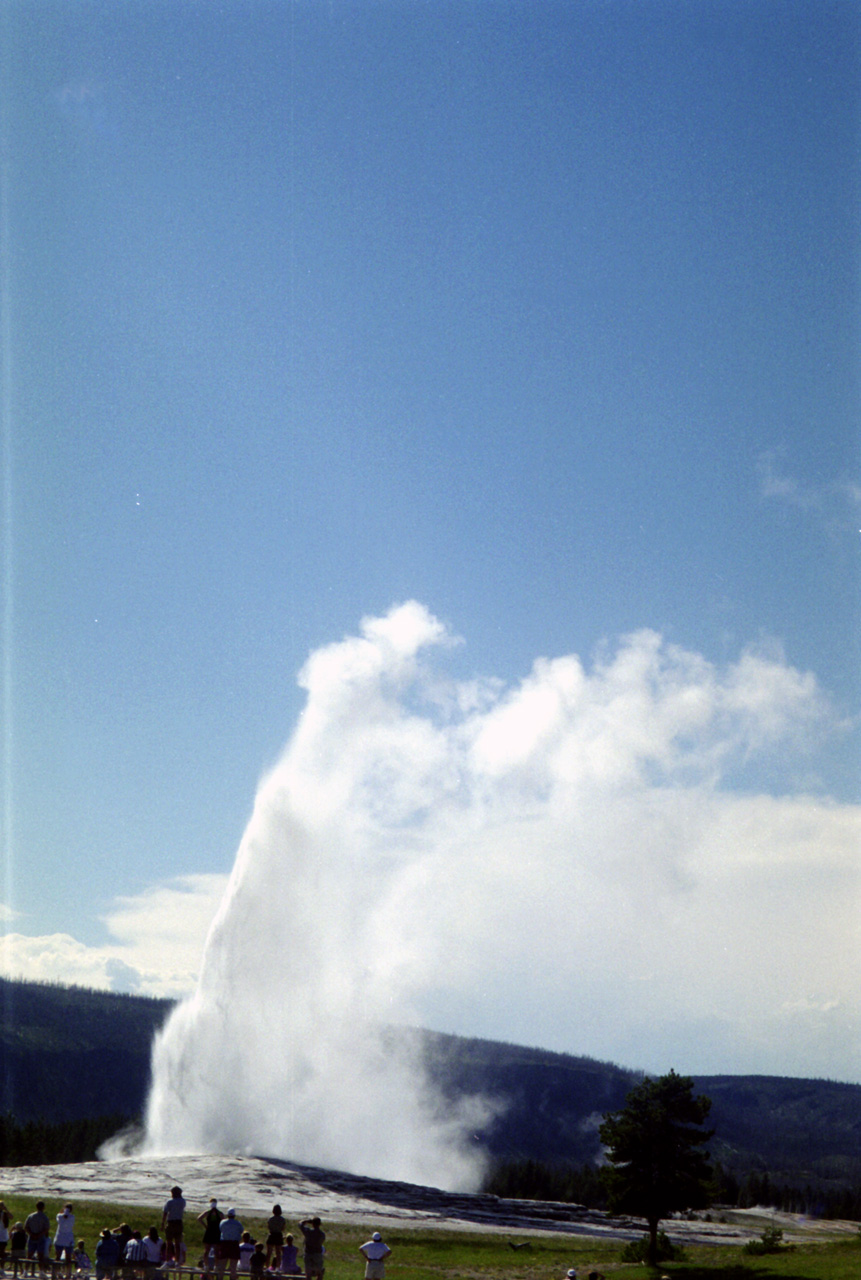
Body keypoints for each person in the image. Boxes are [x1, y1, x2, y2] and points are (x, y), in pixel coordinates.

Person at [215, 1209, 243, 1280]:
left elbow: (220, 1229)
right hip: (234, 1244)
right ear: (234, 1215)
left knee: (222, 1266)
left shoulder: (223, 1222)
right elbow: (241, 1231)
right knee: (233, 1267)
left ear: (227, 1215)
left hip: (224, 1244)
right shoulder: (238, 1223)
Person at [25, 1201, 51, 1273]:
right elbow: (47, 1228)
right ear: (43, 1207)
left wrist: (31, 1234)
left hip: (32, 1236)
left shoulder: (31, 1216)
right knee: (40, 1256)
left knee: (29, 1255)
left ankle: (26, 1271)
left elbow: (26, 1227)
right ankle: (41, 1271)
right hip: (40, 1237)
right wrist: (40, 1234)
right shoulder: (44, 1217)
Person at [197, 1200, 224, 1271]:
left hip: (209, 1232)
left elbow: (199, 1218)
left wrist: (205, 1226)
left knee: (207, 1250)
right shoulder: (220, 1213)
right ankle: (216, 1265)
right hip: (216, 1232)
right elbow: (224, 1221)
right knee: (216, 1251)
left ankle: (206, 1265)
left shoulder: (208, 1212)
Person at [162, 1189, 186, 1263]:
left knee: (169, 1243)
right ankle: (177, 1261)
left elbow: (165, 1212)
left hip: (171, 1222)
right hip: (179, 1222)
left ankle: (168, 1260)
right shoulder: (183, 1201)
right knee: (177, 1243)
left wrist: (162, 1223)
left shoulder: (170, 1202)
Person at [265, 1207, 285, 1272]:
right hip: (278, 1235)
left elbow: (268, 1227)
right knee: (278, 1253)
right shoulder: (282, 1219)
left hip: (272, 1234)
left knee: (269, 1253)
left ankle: (267, 1267)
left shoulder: (270, 1219)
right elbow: (283, 1228)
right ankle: (278, 1268)